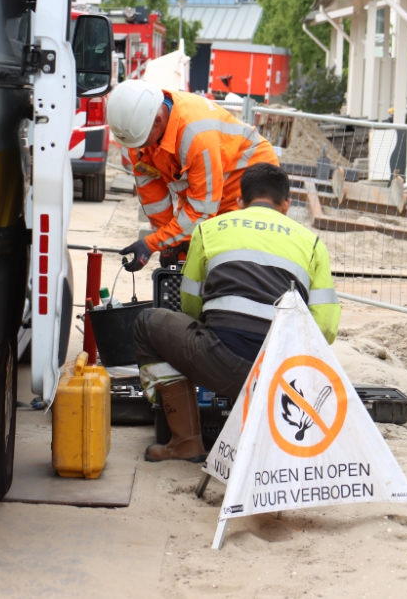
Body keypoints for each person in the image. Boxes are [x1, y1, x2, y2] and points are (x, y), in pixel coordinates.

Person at [133, 163, 341, 462]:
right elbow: (325, 329)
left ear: (240, 202)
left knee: (146, 324)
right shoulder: (312, 243)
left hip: (220, 362)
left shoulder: (210, 229)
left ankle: (185, 441)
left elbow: (191, 304)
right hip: (280, 379)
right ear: (287, 205)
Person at [106, 79, 280, 271]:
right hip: (205, 188)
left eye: (141, 142)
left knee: (229, 259)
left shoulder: (197, 137)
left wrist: (153, 243)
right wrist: (167, 244)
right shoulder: (139, 134)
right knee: (187, 257)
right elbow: (153, 200)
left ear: (158, 121)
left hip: (247, 182)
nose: (137, 149)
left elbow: (201, 211)